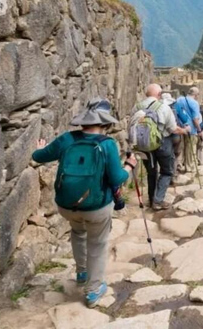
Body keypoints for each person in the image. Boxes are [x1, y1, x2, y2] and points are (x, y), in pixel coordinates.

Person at [32, 98, 137, 308]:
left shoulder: (66, 139)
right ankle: (93, 290)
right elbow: (117, 178)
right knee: (97, 244)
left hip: (66, 206)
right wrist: (129, 166)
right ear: (105, 123)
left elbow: (39, 156)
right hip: (96, 207)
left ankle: (82, 272)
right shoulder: (107, 144)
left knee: (78, 232)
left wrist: (39, 147)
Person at [133, 85, 187, 210]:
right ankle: (157, 201)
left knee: (151, 172)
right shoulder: (163, 107)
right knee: (167, 172)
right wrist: (184, 131)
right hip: (163, 143)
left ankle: (151, 198)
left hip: (144, 145)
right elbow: (173, 129)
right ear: (159, 94)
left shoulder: (136, 107)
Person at [174, 87, 203, 173]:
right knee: (190, 149)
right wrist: (199, 130)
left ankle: (179, 165)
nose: (198, 96)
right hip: (191, 129)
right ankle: (189, 167)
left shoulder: (179, 99)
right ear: (195, 94)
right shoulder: (194, 103)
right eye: (198, 95)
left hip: (180, 128)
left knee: (181, 148)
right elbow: (195, 119)